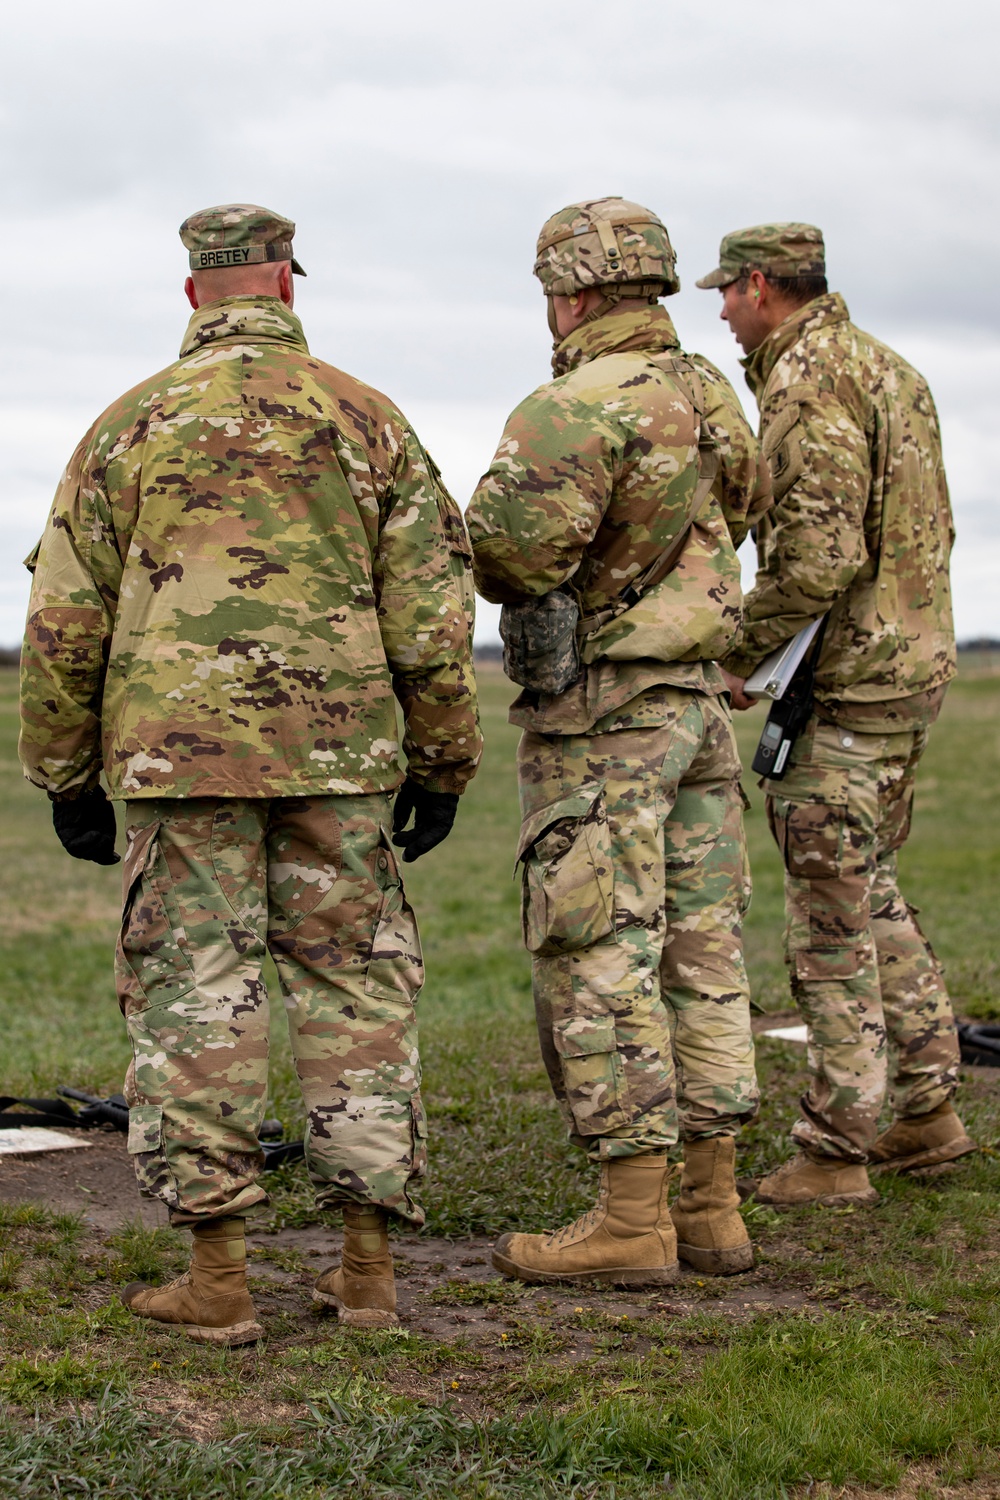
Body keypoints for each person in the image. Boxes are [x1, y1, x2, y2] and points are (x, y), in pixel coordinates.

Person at [19, 203, 482, 1343]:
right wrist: (444, 760)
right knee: (358, 991)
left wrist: (65, 776)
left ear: (193, 295)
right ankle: (365, 1272)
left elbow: (63, 620)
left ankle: (219, 1279)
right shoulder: (369, 420)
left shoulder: (129, 425)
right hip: (340, 759)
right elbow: (433, 612)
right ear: (286, 285)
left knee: (194, 998)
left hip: (180, 767)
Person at [466, 197, 772, 1287]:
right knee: (702, 950)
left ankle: (631, 1222)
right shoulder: (712, 394)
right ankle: (712, 1206)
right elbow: (744, 509)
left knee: (596, 946)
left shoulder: (571, 404)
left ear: (573, 291)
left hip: (606, 721)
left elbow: (506, 551)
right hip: (697, 709)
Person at [698, 222, 974, 1208]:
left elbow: (817, 557)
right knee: (869, 889)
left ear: (761, 286)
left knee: (826, 918)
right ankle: (930, 1109)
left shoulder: (808, 377)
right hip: (907, 668)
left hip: (850, 683)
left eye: (723, 293)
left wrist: (731, 655)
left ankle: (835, 1148)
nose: (719, 312)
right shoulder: (890, 368)